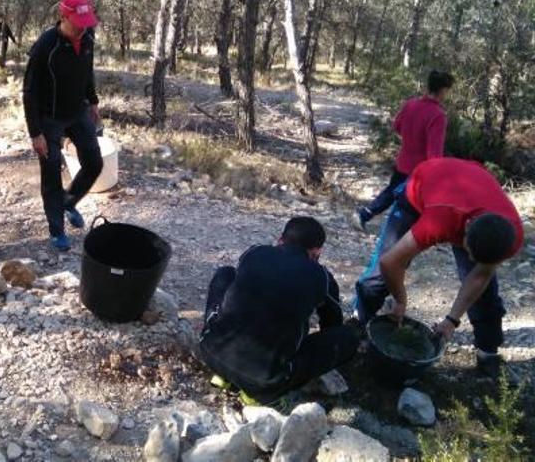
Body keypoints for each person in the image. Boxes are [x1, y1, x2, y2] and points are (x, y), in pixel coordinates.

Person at [354, 158, 524, 379]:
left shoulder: (509, 236)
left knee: (486, 295)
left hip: (470, 194)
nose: (470, 258)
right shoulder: (440, 219)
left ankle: (488, 353)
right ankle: (358, 325)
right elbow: (390, 262)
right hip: (423, 187)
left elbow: (480, 276)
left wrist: (452, 320)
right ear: (466, 230)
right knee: (379, 276)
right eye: (468, 250)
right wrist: (400, 299)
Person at [199, 217, 358, 404]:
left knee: (225, 273)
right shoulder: (322, 277)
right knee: (349, 337)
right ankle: (266, 395)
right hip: (264, 381)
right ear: (316, 252)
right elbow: (332, 325)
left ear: (280, 240)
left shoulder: (255, 252)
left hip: (210, 351)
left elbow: (241, 283)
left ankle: (225, 375)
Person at [23, 0, 103, 251]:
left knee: (94, 162)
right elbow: (29, 91)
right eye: (78, 24)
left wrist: (92, 101)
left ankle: (69, 201)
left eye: (86, 24)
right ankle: (56, 230)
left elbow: (86, 72)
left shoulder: (87, 37)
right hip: (49, 118)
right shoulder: (46, 46)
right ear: (63, 17)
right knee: (51, 171)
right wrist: (36, 132)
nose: (82, 29)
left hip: (77, 111)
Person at [358, 70, 454, 230]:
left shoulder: (411, 104)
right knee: (407, 201)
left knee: (393, 192)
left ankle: (365, 214)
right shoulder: (438, 115)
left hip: (403, 161)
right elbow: (434, 152)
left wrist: (411, 138)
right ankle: (404, 234)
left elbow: (397, 126)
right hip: (419, 169)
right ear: (443, 90)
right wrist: (437, 173)